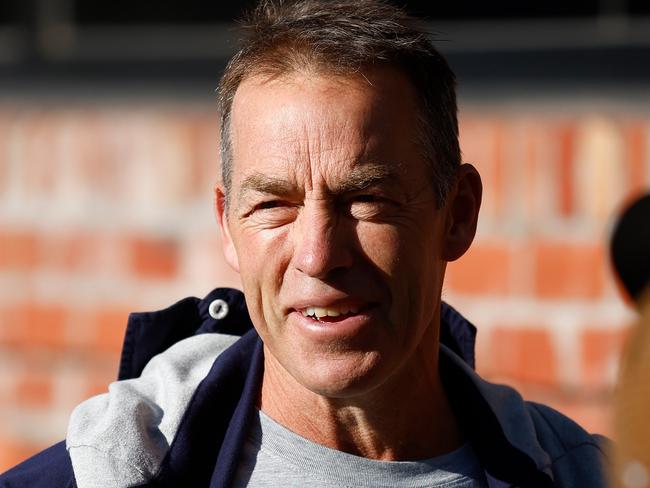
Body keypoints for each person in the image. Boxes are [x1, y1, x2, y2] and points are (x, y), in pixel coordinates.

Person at [1, 1, 608, 486]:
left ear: (459, 214)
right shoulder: (93, 475)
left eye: (367, 199)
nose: (319, 255)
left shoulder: (593, 474)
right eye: (273, 205)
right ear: (228, 227)